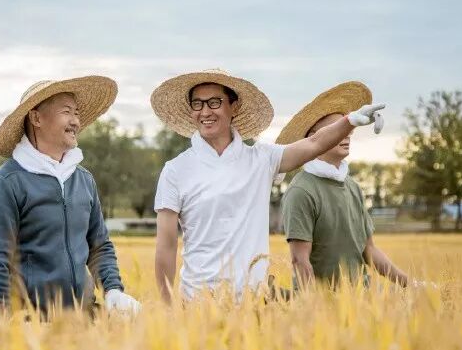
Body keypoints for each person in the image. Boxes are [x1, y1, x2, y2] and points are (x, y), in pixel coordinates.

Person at [151, 70, 386, 302]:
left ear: (234, 107)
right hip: (199, 303)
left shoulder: (262, 159)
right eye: (197, 104)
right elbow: (166, 246)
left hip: (255, 303)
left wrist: (350, 122)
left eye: (214, 102)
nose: (205, 111)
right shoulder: (175, 170)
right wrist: (167, 306)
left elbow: (314, 143)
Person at [0, 77, 140, 318]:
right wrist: (2, 325)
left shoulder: (83, 180)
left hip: (84, 317)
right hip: (31, 322)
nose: (76, 121)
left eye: (76, 113)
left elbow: (99, 246)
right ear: (36, 118)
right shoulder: (6, 184)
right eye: (66, 112)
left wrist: (113, 290)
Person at [276, 81, 411, 290]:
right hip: (322, 302)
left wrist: (411, 285)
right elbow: (300, 261)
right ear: (315, 138)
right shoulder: (301, 191)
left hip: (361, 299)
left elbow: (369, 251)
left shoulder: (353, 187)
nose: (346, 134)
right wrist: (312, 305)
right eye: (337, 129)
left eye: (348, 128)